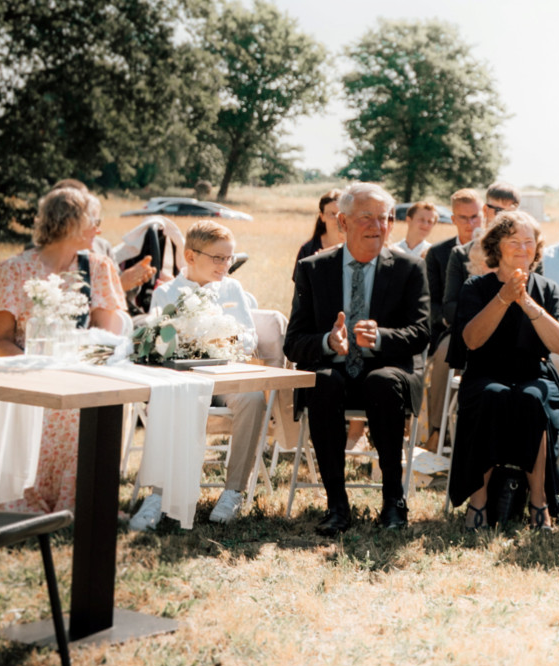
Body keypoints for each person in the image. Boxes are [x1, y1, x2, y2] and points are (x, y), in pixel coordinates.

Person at [0, 185, 132, 516]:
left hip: (80, 373)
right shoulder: (13, 271)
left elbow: (105, 332)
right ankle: (45, 494)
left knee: (100, 400)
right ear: (70, 223)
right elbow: (0, 339)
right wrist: (40, 370)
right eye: (94, 221)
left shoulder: (98, 268)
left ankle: (84, 498)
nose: (99, 230)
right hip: (26, 374)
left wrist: (77, 367)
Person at [284, 182, 431, 534]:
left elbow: (421, 332)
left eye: (384, 219)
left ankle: (394, 502)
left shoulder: (409, 269)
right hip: (334, 373)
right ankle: (336, 505)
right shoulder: (313, 269)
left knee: (381, 383)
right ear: (342, 222)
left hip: (387, 373)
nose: (377, 227)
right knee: (322, 381)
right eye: (366, 218)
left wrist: (380, 337)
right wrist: (326, 342)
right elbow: (294, 342)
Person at [451, 210, 559, 532]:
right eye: (514, 241)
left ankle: (539, 503)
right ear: (496, 246)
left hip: (534, 372)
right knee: (492, 396)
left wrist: (528, 303)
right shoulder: (476, 287)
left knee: (534, 400)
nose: (522, 248)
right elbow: (471, 341)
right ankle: (478, 504)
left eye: (529, 241)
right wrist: (503, 299)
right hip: (484, 372)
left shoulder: (547, 289)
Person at [154, 220, 273, 525]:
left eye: (229, 258)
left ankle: (234, 490)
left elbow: (249, 338)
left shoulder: (232, 288)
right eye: (217, 258)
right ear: (191, 256)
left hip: (226, 376)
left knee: (252, 397)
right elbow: (159, 344)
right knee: (172, 398)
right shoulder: (167, 293)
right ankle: (160, 492)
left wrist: (223, 336)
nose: (225, 265)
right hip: (185, 379)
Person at [419, 189, 485, 448]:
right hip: (451, 327)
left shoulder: (498, 248)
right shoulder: (439, 253)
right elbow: (430, 300)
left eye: (475, 217)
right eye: (464, 218)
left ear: (484, 215)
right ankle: (437, 430)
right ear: (453, 219)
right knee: (446, 355)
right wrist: (450, 320)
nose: (471, 224)